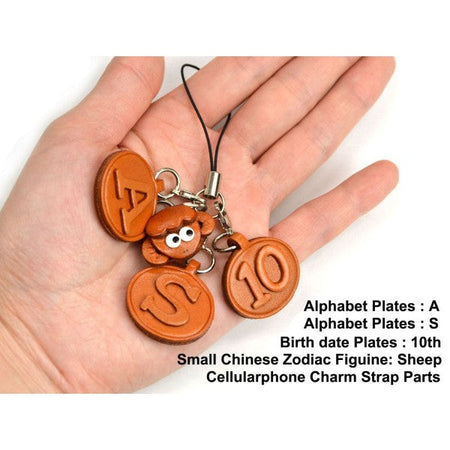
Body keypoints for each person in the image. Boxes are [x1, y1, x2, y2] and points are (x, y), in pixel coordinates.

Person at [0, 57, 398, 392]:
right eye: (174, 238)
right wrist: (20, 333)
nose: (182, 238)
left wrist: (28, 356)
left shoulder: (203, 243)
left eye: (187, 233)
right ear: (154, 249)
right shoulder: (165, 243)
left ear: (204, 228)